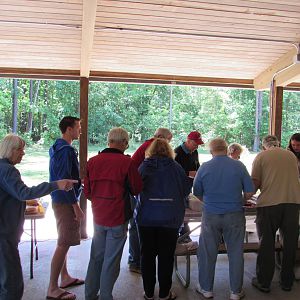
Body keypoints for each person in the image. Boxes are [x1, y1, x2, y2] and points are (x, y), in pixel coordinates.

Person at [0, 134, 77, 300]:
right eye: (20, 149)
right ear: (10, 150)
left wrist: (25, 202)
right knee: (12, 286)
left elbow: (12, 194)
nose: (23, 153)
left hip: (5, 233)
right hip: (4, 237)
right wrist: (56, 184)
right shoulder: (7, 170)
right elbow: (23, 192)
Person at [84, 127, 143, 300]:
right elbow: (137, 188)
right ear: (124, 143)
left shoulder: (92, 161)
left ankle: (90, 295)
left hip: (98, 216)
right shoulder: (127, 163)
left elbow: (87, 192)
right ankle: (106, 296)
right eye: (127, 142)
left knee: (96, 257)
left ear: (109, 141)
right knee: (111, 261)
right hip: (117, 218)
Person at [193, 138, 254, 300]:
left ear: (211, 150)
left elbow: (197, 191)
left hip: (211, 214)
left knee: (207, 252)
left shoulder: (205, 167)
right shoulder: (238, 166)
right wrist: (239, 200)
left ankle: (206, 289)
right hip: (234, 213)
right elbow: (250, 191)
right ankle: (235, 291)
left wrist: (208, 201)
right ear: (226, 149)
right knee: (235, 252)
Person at [136, 138, 191, 300]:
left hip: (146, 217)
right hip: (170, 218)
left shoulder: (144, 166)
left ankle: (148, 292)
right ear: (168, 150)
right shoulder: (176, 167)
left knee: (147, 256)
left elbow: (135, 187)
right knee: (166, 256)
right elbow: (186, 189)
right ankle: (164, 293)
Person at [251, 135, 300, 293]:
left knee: (267, 243)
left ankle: (264, 281)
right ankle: (287, 281)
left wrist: (245, 197)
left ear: (265, 146)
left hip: (269, 205)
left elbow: (255, 182)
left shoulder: (262, 156)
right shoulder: (291, 155)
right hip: (292, 202)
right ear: (278, 144)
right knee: (290, 243)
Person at [47, 116, 84, 300]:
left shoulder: (55, 146)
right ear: (69, 129)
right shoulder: (66, 150)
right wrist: (76, 206)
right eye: (78, 127)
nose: (80, 130)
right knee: (63, 243)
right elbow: (65, 182)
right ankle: (52, 288)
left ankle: (65, 277)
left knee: (64, 240)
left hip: (57, 199)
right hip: (64, 201)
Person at [128, 128, 172, 274]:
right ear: (162, 138)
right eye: (168, 140)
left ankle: (137, 259)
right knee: (135, 225)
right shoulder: (152, 146)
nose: (169, 144)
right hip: (135, 189)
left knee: (137, 225)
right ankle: (135, 261)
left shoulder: (150, 144)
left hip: (137, 188)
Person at [174, 131, 204, 243]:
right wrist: (188, 173)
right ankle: (180, 235)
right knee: (180, 211)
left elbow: (197, 165)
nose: (196, 147)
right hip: (178, 187)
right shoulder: (177, 152)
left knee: (186, 210)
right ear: (188, 141)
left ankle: (184, 234)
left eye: (198, 145)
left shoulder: (194, 152)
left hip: (189, 186)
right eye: (195, 144)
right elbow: (173, 171)